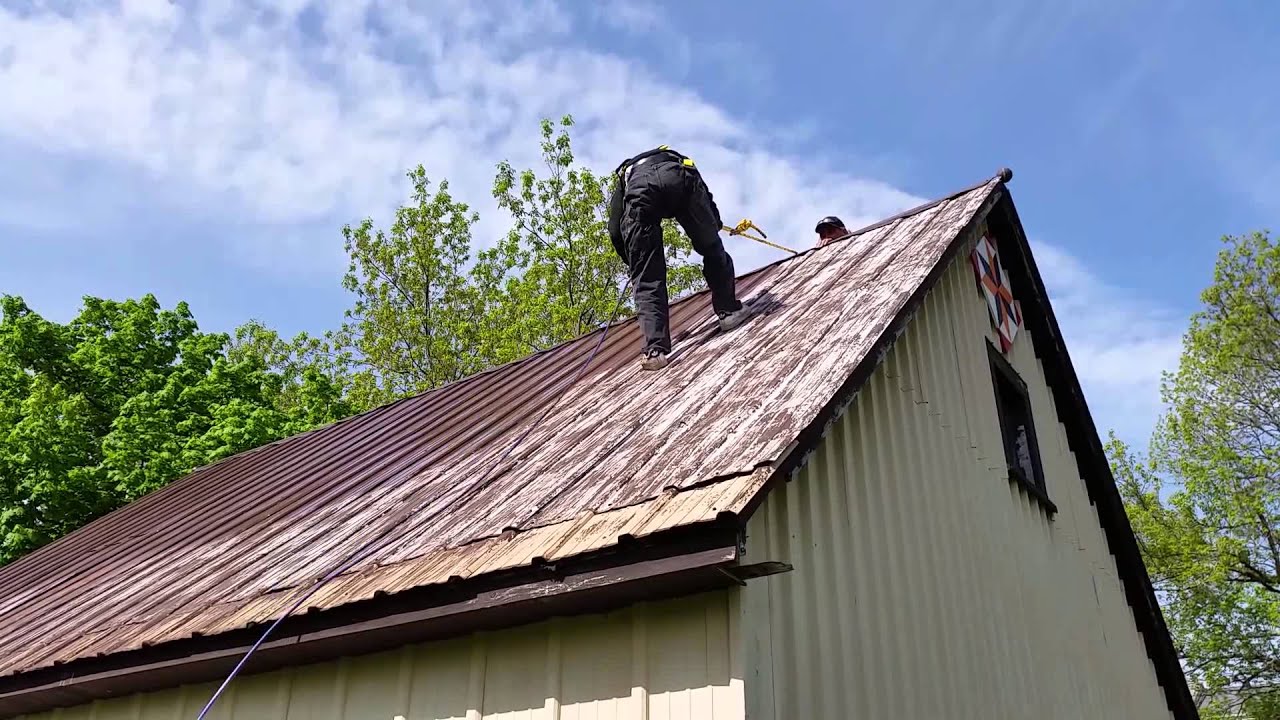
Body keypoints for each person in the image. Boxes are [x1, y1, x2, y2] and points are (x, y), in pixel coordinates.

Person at [608, 146, 753, 371]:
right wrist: (712, 226)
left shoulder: (627, 174)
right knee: (711, 248)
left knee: (647, 279)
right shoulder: (678, 159)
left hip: (641, 193)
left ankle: (655, 351)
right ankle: (728, 311)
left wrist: (635, 262)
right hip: (680, 179)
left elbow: (615, 231)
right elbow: (706, 198)